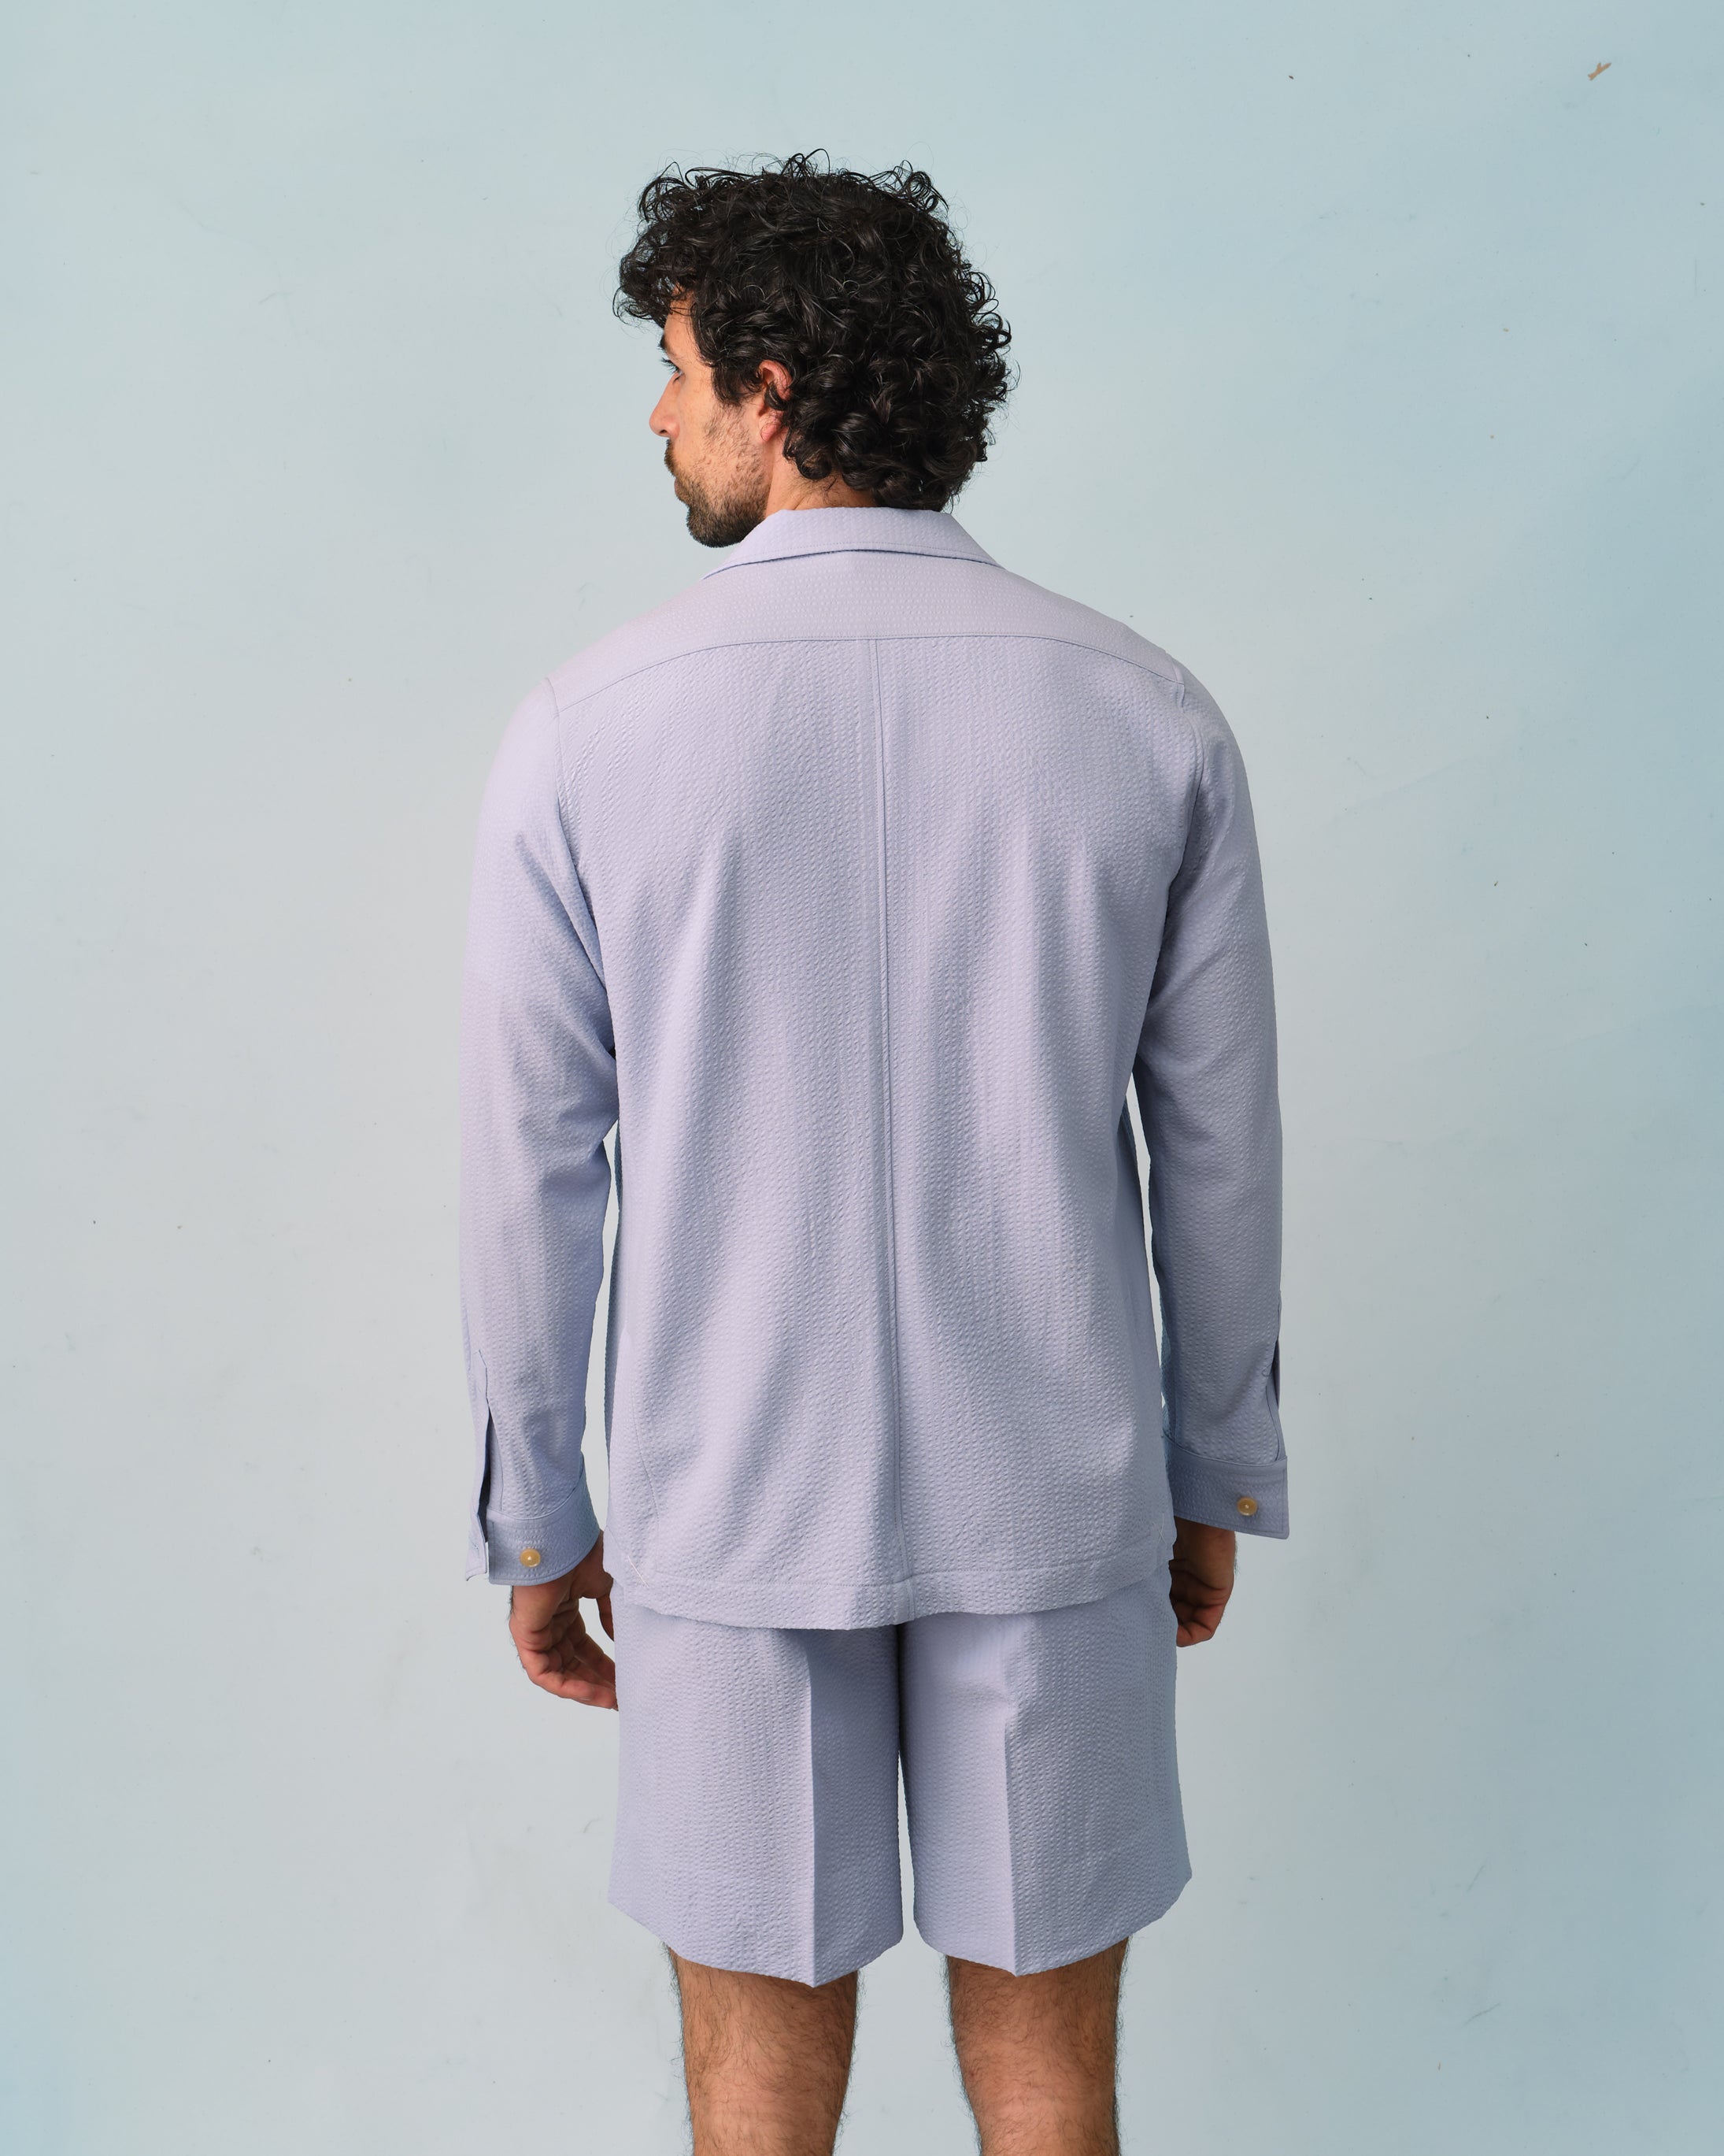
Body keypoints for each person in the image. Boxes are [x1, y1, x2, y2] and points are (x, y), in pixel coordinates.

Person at [458, 152, 1288, 2156]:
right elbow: (1219, 1150)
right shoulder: (1148, 713)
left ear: (770, 386)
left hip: (729, 1503)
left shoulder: (586, 727)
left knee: (757, 2090)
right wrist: (1214, 1465)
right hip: (1057, 1483)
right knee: (1050, 2077)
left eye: (676, 371)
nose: (657, 415)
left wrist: (537, 1512)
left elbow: (529, 1168)